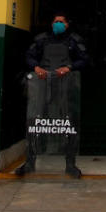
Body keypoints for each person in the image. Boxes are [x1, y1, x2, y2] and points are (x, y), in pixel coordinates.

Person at [16, 13, 89, 179]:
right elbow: (29, 56)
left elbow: (84, 59)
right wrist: (35, 67)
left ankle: (70, 164)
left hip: (65, 86)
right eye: (55, 21)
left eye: (61, 22)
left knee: (67, 123)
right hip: (42, 86)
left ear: (67, 25)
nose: (58, 24)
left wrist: (69, 67)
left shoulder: (73, 40)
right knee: (35, 122)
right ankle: (30, 162)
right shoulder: (42, 39)